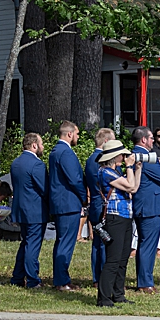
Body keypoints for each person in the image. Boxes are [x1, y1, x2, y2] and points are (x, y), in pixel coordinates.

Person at [95, 139, 143, 307]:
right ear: (114, 156)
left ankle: (118, 294)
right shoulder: (105, 172)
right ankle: (104, 298)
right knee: (113, 260)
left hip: (125, 217)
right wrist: (130, 167)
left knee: (123, 259)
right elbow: (129, 187)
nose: (125, 157)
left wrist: (137, 169)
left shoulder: (117, 172)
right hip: (114, 218)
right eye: (122, 154)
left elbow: (134, 188)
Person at [130, 126, 160, 294]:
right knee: (148, 245)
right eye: (150, 138)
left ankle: (144, 279)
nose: (153, 141)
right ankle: (145, 282)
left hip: (146, 205)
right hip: (150, 206)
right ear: (143, 140)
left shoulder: (136, 155)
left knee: (144, 244)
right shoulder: (146, 157)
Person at [47, 121, 86, 291]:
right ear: (69, 134)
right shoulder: (66, 153)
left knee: (62, 242)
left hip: (61, 202)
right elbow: (75, 179)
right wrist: (84, 197)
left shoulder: (56, 151)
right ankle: (62, 281)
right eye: (76, 133)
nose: (78, 137)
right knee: (66, 243)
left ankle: (61, 278)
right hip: (68, 202)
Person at [10, 133, 49, 289]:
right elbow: (44, 189)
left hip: (21, 208)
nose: (43, 147)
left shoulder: (16, 163)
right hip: (35, 210)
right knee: (32, 245)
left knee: (25, 243)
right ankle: (32, 280)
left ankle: (17, 277)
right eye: (41, 144)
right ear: (34, 145)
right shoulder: (36, 164)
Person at [84, 128, 114, 287]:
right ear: (106, 142)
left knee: (97, 242)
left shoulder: (90, 159)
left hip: (95, 202)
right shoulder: (102, 160)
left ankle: (97, 277)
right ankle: (102, 277)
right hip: (103, 203)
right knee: (104, 242)